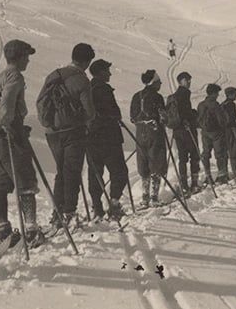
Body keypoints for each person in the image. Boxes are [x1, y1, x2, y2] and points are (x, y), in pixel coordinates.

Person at [0, 39, 46, 249]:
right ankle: (31, 231)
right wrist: (13, 126)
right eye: (27, 56)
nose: (28, 60)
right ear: (18, 57)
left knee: (0, 186)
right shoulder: (15, 77)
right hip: (9, 137)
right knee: (26, 183)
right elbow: (7, 109)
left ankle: (3, 229)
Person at [38, 43, 96, 229]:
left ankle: (57, 212)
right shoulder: (81, 80)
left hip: (52, 132)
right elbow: (89, 112)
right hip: (72, 131)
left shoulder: (54, 75)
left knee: (61, 172)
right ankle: (69, 212)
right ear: (86, 62)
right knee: (72, 172)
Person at [86, 59, 129, 220]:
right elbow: (113, 113)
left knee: (95, 173)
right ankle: (114, 204)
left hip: (91, 138)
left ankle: (97, 208)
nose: (110, 73)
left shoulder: (87, 88)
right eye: (107, 70)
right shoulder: (103, 89)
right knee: (120, 172)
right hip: (109, 138)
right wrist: (115, 116)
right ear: (100, 72)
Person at [130, 69, 167, 208]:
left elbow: (132, 117)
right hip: (154, 133)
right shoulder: (157, 97)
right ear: (154, 83)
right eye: (159, 82)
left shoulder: (136, 96)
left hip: (140, 133)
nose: (160, 84)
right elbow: (163, 117)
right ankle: (154, 197)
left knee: (143, 162)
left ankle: (144, 197)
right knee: (156, 162)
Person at [172, 71, 201, 194]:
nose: (189, 82)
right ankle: (194, 184)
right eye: (186, 80)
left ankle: (183, 185)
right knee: (194, 155)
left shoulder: (174, 96)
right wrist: (193, 115)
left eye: (189, 80)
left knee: (182, 158)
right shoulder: (184, 94)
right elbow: (185, 112)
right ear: (180, 81)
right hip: (187, 129)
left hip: (177, 130)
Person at [196, 83, 229, 185]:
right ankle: (221, 176)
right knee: (219, 154)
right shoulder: (216, 105)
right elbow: (221, 121)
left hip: (205, 133)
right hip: (217, 133)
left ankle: (208, 176)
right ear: (214, 93)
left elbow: (198, 120)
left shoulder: (201, 105)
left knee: (206, 154)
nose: (218, 95)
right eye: (217, 93)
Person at [221, 86, 236, 180]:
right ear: (230, 94)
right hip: (230, 130)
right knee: (233, 151)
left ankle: (224, 173)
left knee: (224, 152)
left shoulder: (222, 104)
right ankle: (234, 172)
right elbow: (231, 118)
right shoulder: (231, 104)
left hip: (222, 131)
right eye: (234, 93)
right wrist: (233, 127)